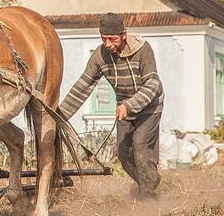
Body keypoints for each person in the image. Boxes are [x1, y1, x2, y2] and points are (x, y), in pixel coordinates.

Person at [59, 12, 164, 198]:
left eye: (113, 39)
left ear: (124, 34)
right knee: (124, 155)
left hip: (150, 106)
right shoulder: (100, 56)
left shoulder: (143, 49)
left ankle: (148, 198)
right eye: (104, 39)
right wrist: (59, 116)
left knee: (140, 147)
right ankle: (148, 183)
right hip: (124, 108)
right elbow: (83, 86)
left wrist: (129, 106)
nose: (108, 44)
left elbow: (153, 84)